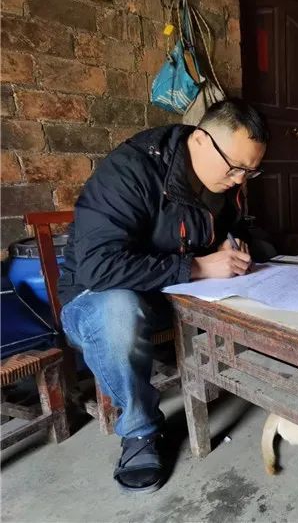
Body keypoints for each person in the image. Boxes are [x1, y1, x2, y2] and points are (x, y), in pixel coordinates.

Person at [58, 99, 268, 493]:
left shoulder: (219, 181)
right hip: (96, 299)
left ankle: (246, 377)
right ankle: (139, 429)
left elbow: (229, 226)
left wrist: (233, 244)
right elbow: (98, 268)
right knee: (118, 310)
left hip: (164, 292)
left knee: (258, 280)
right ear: (201, 140)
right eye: (235, 168)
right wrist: (199, 267)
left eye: (250, 171)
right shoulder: (131, 171)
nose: (240, 180)